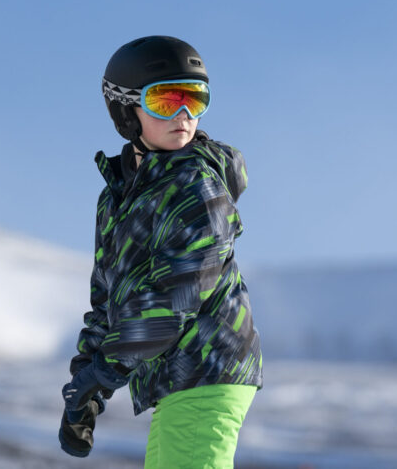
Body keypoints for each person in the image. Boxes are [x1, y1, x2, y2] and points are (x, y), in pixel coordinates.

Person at [59, 35, 263, 468]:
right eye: (167, 101)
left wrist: (109, 369)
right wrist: (86, 385)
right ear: (124, 110)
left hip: (207, 369)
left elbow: (180, 293)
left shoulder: (195, 185)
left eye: (195, 99)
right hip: (178, 378)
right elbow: (108, 299)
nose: (185, 115)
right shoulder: (118, 197)